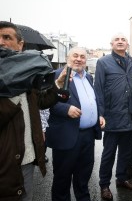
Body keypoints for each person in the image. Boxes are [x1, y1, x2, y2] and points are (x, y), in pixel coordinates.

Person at [0, 21, 68, 200]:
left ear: (20, 45)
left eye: (6, 37)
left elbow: (42, 102)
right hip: (4, 162)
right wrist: (10, 91)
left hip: (27, 159)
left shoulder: (27, 72)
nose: (1, 42)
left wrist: (56, 84)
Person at [46, 47, 104, 201]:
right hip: (67, 135)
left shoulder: (88, 77)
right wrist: (66, 109)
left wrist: (98, 115)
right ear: (67, 58)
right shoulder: (56, 76)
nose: (79, 59)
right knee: (62, 180)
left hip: (87, 136)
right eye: (75, 56)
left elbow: (91, 100)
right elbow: (44, 103)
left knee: (83, 178)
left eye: (82, 57)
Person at [94, 33, 132, 201]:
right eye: (117, 39)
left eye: (123, 40)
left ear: (127, 44)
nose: (120, 42)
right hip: (113, 116)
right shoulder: (103, 62)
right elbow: (98, 90)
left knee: (126, 153)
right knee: (109, 153)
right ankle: (104, 185)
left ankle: (121, 179)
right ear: (111, 44)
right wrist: (100, 114)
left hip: (131, 117)